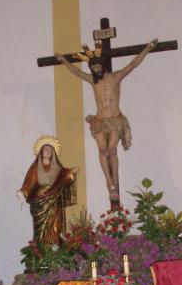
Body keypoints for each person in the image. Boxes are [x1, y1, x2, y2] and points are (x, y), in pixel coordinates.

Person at [55, 38, 158, 202]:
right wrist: (63, 60)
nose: (96, 70)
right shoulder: (92, 80)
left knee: (112, 150)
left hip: (115, 120)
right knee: (102, 151)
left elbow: (133, 65)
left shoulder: (115, 77)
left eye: (97, 67)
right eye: (93, 68)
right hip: (100, 121)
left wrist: (147, 48)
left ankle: (115, 182)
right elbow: (77, 72)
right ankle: (109, 183)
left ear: (103, 65)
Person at [17, 136, 78, 244]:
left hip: (54, 202)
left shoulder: (58, 168)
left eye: (50, 150)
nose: (48, 151)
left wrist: (71, 172)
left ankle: (55, 248)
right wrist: (22, 192)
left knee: (55, 227)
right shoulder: (35, 168)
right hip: (39, 203)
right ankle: (40, 249)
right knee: (40, 230)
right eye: (46, 149)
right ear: (41, 152)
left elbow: (64, 178)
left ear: (53, 153)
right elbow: (29, 183)